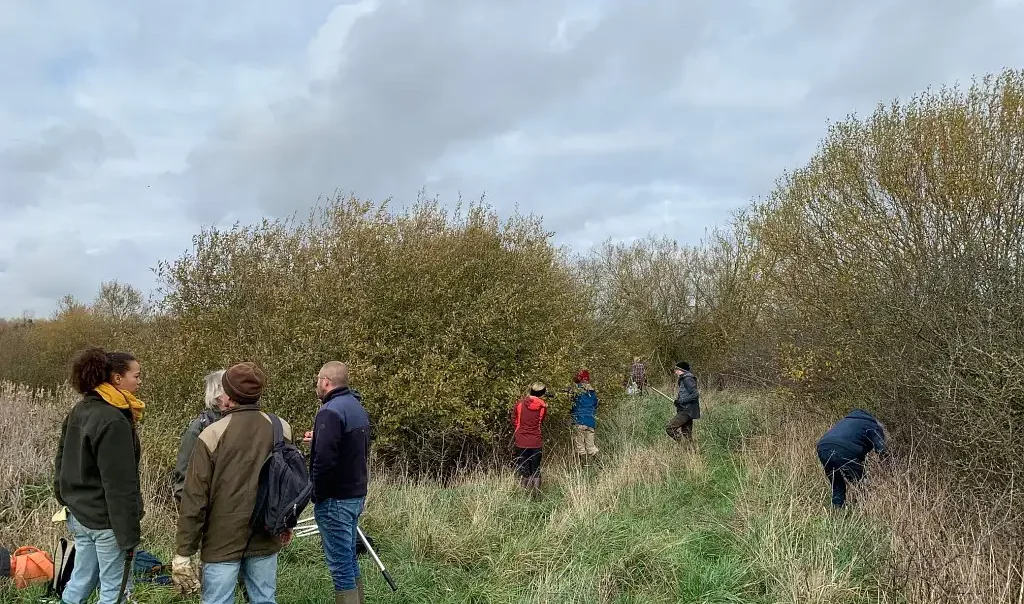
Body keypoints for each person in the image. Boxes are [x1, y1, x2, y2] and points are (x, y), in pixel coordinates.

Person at [174, 362, 294, 604]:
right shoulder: (281, 427)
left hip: (222, 540)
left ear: (227, 396)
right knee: (265, 599)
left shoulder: (211, 434)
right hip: (266, 533)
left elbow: (194, 498)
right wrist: (287, 522)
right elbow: (288, 484)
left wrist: (184, 551)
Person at [54, 347, 145, 604]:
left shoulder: (81, 409)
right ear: (117, 378)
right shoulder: (113, 420)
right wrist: (128, 536)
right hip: (106, 522)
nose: (139, 381)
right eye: (136, 376)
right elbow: (119, 484)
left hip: (80, 514)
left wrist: (65, 498)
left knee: (81, 579)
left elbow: (60, 461)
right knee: (114, 591)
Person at [308, 361, 371, 604]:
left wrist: (317, 494)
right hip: (356, 493)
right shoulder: (355, 406)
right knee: (348, 558)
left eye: (317, 381)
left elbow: (324, 461)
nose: (316, 385)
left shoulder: (330, 411)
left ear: (326, 382)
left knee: (340, 565)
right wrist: (318, 438)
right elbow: (352, 448)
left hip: (335, 498)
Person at [171, 370, 229, 505]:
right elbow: (184, 471)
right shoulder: (199, 427)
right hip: (210, 506)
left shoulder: (240, 421)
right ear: (218, 393)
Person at [816, 409, 888, 508]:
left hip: (823, 447)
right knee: (861, 482)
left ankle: (837, 509)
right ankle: (865, 508)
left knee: (836, 481)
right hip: (845, 448)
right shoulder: (873, 426)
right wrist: (888, 469)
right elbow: (882, 450)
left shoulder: (847, 421)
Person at [511, 382, 548, 496]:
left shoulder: (519, 405)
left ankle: (525, 496)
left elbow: (514, 420)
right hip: (536, 441)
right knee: (536, 469)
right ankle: (536, 496)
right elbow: (540, 421)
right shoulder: (542, 407)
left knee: (524, 470)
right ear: (542, 393)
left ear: (530, 391)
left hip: (521, 441)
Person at [666, 361, 700, 443]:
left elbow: (695, 395)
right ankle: (691, 452)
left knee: (670, 428)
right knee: (687, 434)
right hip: (686, 409)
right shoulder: (683, 379)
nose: (675, 371)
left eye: (676, 369)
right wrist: (678, 402)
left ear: (682, 370)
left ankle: (682, 443)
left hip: (687, 409)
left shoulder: (687, 379)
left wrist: (681, 401)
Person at [570, 369, 599, 462]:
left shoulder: (575, 390)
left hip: (579, 420)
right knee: (591, 447)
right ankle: (600, 465)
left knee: (580, 448)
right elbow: (595, 404)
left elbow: (570, 405)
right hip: (590, 421)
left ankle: (582, 468)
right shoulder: (592, 392)